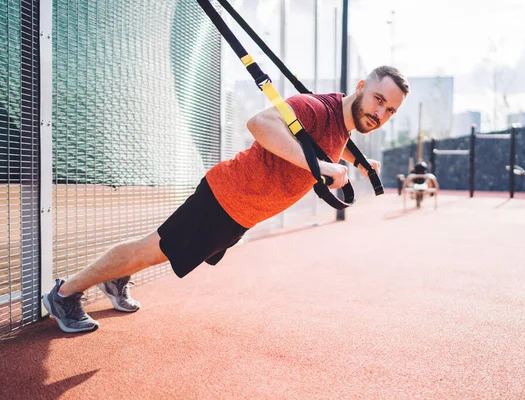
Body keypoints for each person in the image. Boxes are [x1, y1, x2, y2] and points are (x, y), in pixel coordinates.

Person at [43, 65, 410, 333]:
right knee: (151, 248)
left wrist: (351, 163)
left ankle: (115, 280)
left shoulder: (340, 127)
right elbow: (260, 124)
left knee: (165, 251)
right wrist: (323, 167)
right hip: (224, 198)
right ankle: (65, 292)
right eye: (378, 99)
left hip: (240, 214)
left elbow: (318, 149)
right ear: (361, 86)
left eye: (390, 110)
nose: (379, 113)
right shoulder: (318, 109)